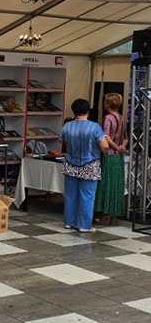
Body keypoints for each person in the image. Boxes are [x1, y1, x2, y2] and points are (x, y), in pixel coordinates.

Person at [61, 98, 109, 233]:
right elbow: (104, 146)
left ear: (73, 111)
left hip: (70, 163)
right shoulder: (95, 127)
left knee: (70, 195)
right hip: (90, 164)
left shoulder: (67, 126)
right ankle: (84, 225)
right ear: (88, 111)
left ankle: (69, 222)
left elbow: (62, 141)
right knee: (87, 196)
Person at [95, 92, 127, 225]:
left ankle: (105, 214)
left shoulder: (108, 118)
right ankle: (113, 212)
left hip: (109, 155)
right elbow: (126, 137)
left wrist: (115, 147)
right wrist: (121, 147)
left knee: (106, 184)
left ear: (108, 104)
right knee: (115, 184)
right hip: (118, 157)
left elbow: (106, 137)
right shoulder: (121, 118)